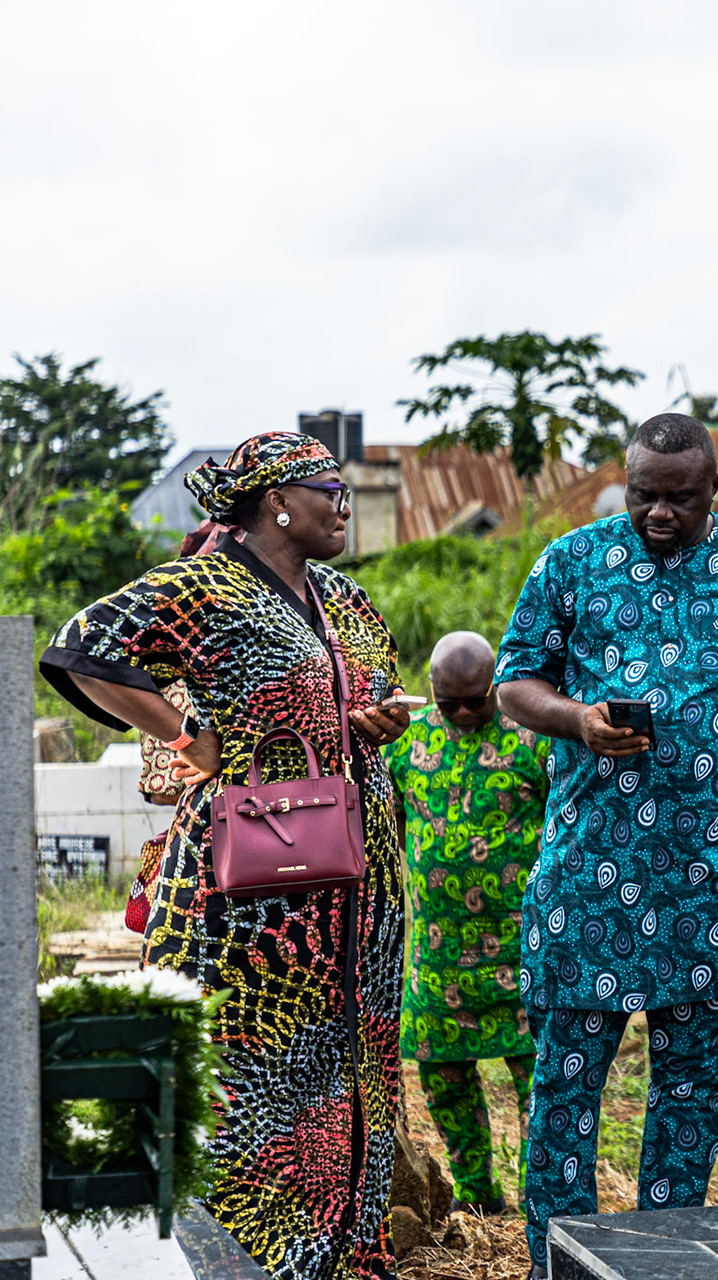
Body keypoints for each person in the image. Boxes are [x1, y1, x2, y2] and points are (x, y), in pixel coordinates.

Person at [39, 432, 411, 1280]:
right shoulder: (205, 587)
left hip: (358, 882)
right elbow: (81, 649)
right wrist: (186, 734)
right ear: (276, 501)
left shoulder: (346, 599)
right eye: (329, 490)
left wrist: (377, 718)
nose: (344, 505)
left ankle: (348, 1251)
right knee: (248, 1074)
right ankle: (244, 1260)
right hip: (249, 901)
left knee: (355, 1065)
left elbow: (361, 693)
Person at [495, 413, 718, 1275]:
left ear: (715, 488)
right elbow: (514, 682)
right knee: (565, 1087)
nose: (659, 513)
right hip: (591, 874)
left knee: (693, 1092)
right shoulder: (571, 561)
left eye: (681, 498)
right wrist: (579, 719)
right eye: (644, 494)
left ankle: (660, 1263)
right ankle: (556, 1266)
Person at [383, 630, 546, 1215]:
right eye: (448, 702)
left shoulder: (533, 738)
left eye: (475, 700)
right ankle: (478, 1196)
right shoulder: (406, 742)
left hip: (521, 945)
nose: (462, 713)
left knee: (539, 1076)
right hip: (438, 951)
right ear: (430, 690)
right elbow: (388, 822)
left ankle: (541, 1196)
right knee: (443, 1075)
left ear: (496, 684)